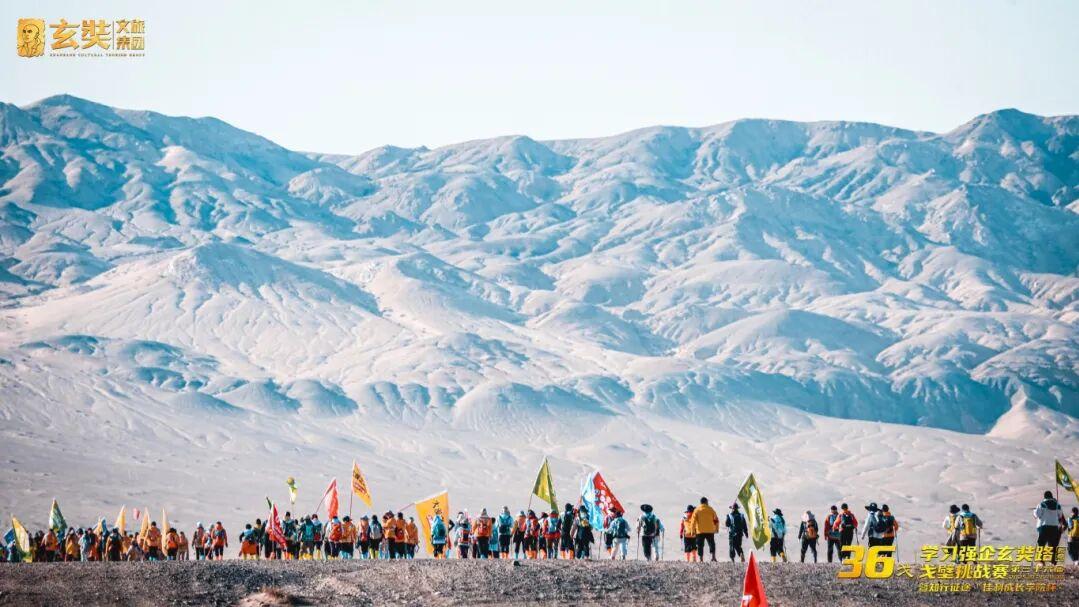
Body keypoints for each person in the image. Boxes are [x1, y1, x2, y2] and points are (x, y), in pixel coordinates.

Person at [1034, 490, 1066, 565]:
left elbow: (1037, 515)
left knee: (1041, 544)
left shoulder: (1042, 504)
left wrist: (1034, 512)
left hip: (1043, 527)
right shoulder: (1057, 505)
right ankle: (1053, 562)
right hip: (1054, 527)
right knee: (1053, 545)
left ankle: (1041, 561)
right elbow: (1060, 516)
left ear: (1044, 497)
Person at [691, 497, 719, 562]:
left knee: (700, 545)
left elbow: (693, 521)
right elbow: (716, 520)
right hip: (710, 530)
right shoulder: (711, 509)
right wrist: (716, 528)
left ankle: (701, 559)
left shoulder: (697, 510)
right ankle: (713, 557)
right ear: (706, 502)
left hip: (700, 531)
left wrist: (692, 531)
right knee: (711, 543)